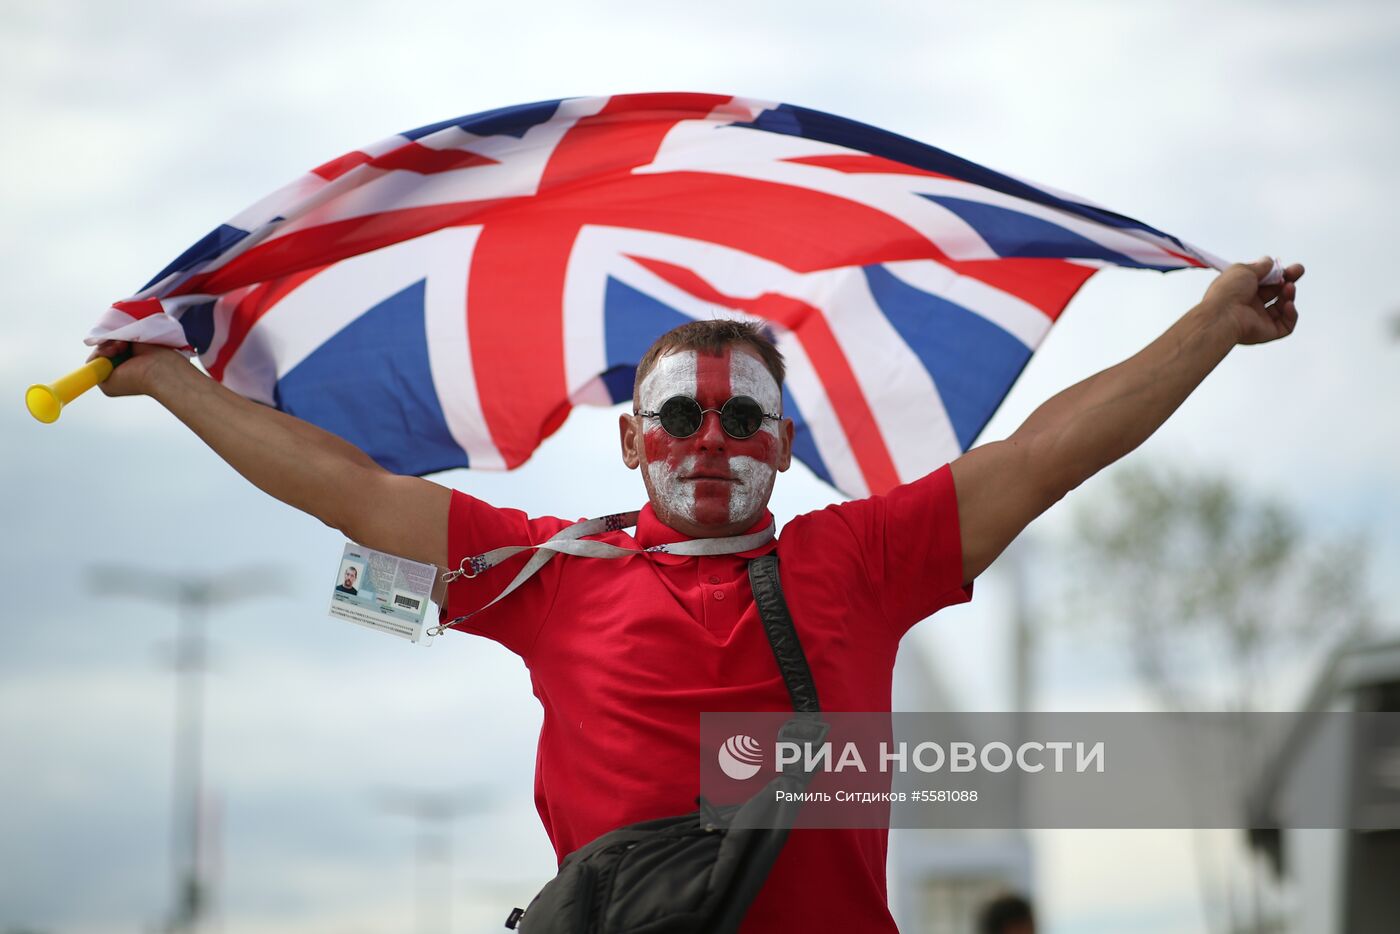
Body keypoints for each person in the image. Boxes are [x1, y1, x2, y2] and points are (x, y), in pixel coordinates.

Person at [88, 257, 1302, 932]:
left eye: (740, 418)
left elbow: (1041, 455)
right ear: (630, 441)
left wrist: (1206, 326)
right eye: (677, 415)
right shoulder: (541, 574)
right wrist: (176, 383)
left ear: (782, 448)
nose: (706, 438)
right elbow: (349, 493)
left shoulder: (857, 560)